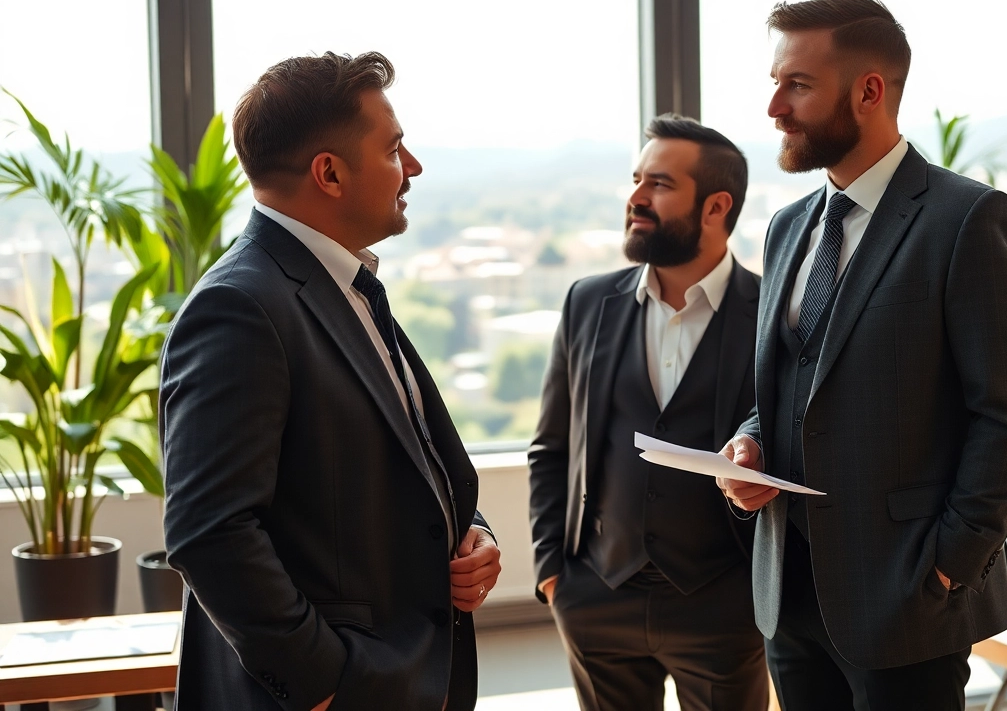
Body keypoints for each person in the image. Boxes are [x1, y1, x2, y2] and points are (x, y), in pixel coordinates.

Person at [716, 0, 1007, 710]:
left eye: (796, 84)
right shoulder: (787, 228)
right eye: (775, 82)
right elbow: (788, 389)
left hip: (908, 597)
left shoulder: (967, 219)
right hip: (789, 593)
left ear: (868, 90)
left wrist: (953, 565)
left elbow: (1006, 417)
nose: (774, 106)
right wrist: (748, 445)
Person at [161, 51, 500, 711]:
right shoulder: (241, 306)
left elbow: (397, 460)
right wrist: (322, 682)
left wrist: (470, 530)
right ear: (330, 173)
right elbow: (210, 533)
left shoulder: (343, 286)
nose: (414, 168)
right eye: (395, 148)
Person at [528, 114, 769, 711]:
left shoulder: (772, 314)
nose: (635, 197)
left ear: (716, 207)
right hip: (595, 597)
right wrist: (552, 574)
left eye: (658, 184)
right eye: (636, 179)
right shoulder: (588, 301)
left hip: (724, 605)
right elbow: (552, 445)